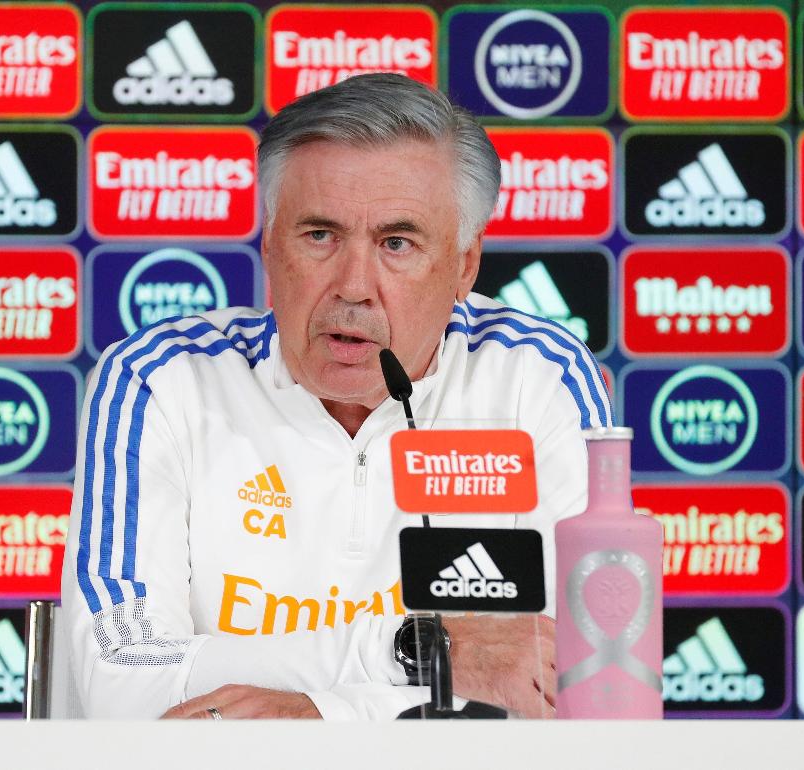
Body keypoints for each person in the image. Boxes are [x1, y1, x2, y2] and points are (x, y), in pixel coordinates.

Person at [62, 73, 613, 720]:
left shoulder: (535, 377)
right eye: (320, 235)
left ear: (464, 265)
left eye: (396, 243)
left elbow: (568, 686)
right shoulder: (163, 380)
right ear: (270, 246)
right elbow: (121, 684)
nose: (354, 286)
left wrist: (319, 716)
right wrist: (412, 649)